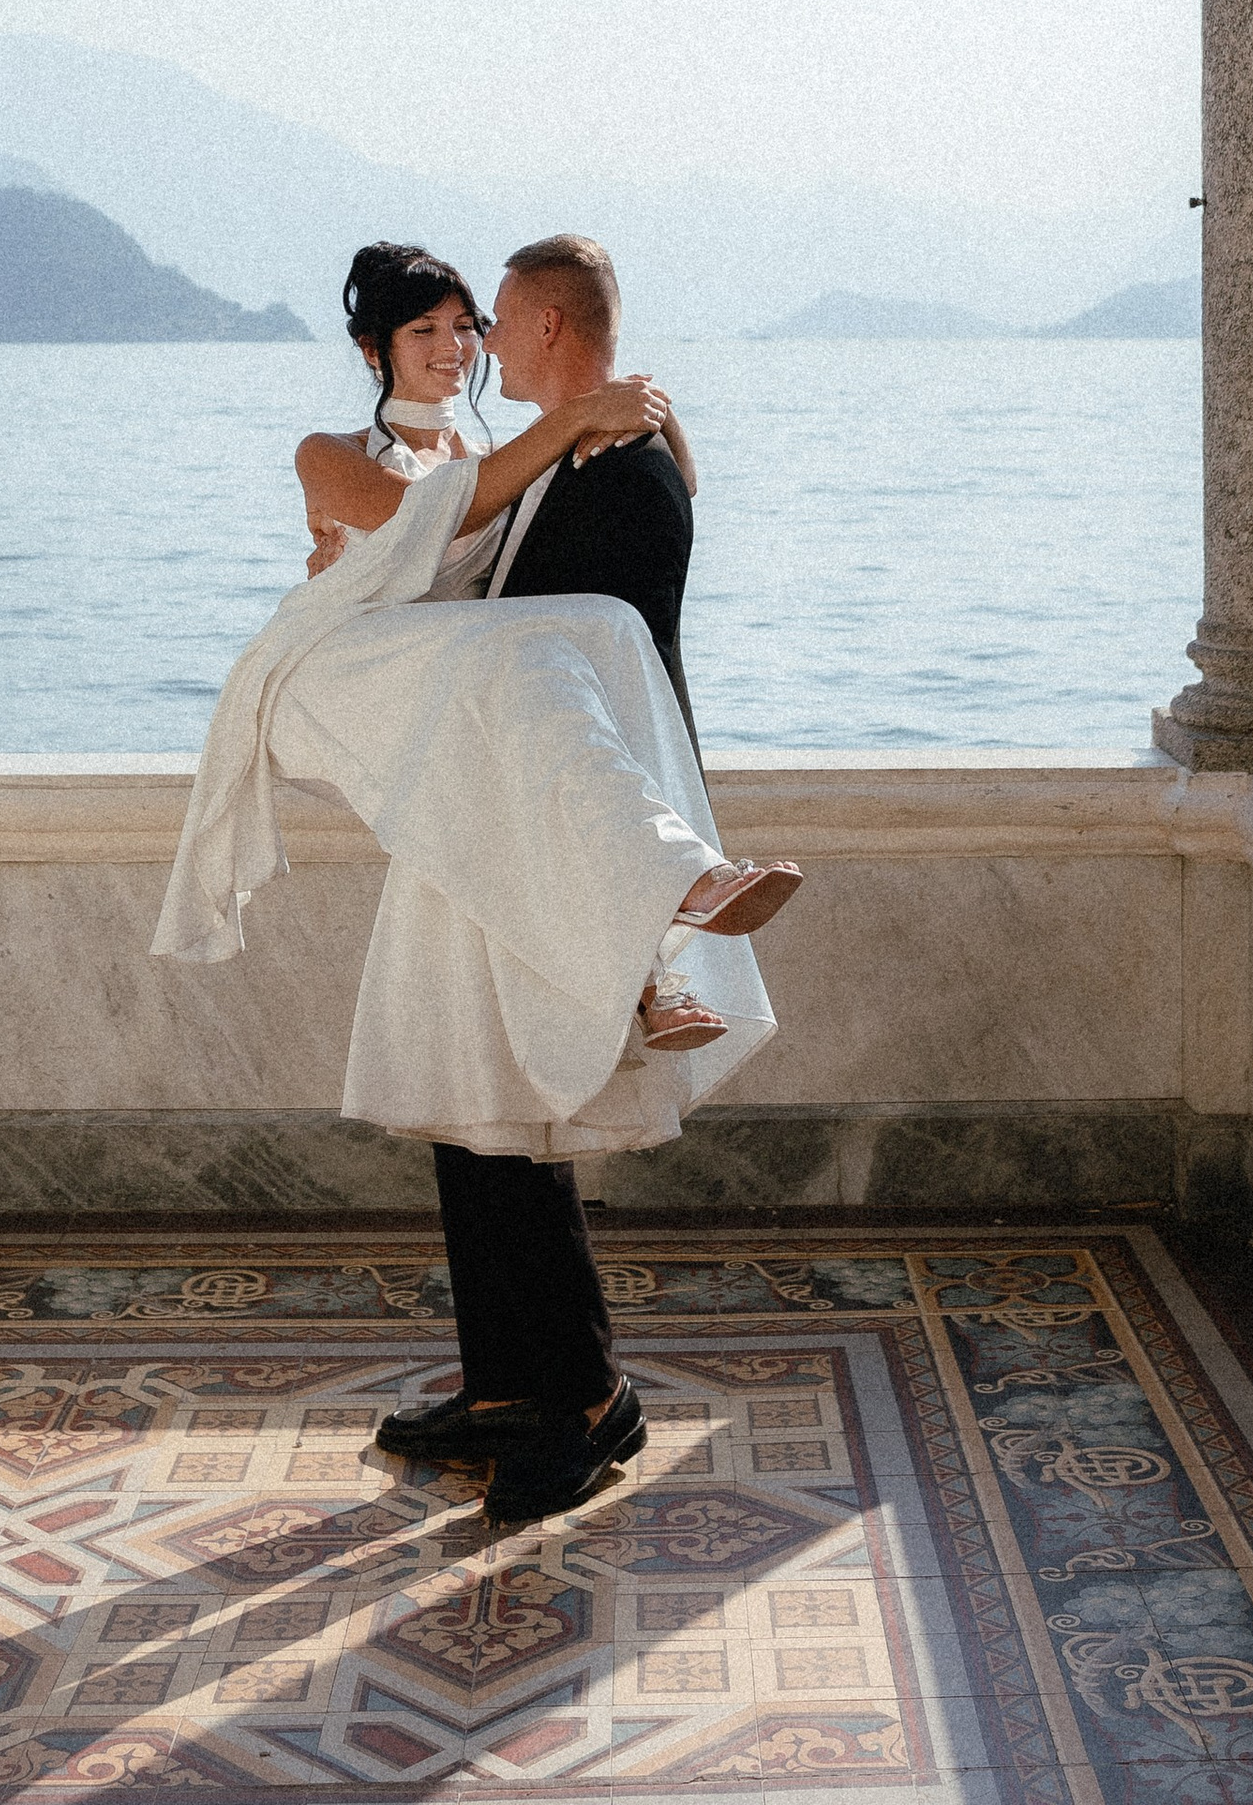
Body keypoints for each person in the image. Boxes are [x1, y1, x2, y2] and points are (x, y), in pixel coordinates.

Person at [153, 236, 801, 1529]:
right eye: (436, 332)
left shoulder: (585, 457)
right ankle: (537, 1388)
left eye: (478, 325)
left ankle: (558, 1396)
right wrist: (583, 424)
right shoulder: (373, 459)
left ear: (539, 326)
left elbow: (627, 618)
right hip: (386, 707)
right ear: (376, 351)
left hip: (488, 792)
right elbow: (428, 538)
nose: (467, 348)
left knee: (486, 1100)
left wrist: (623, 425)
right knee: (483, 1097)